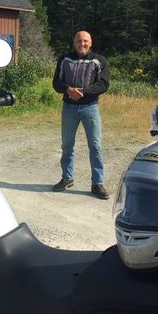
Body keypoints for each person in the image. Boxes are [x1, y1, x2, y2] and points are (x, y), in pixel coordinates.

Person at [52, 30, 110, 199]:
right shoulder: (64, 59)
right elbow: (56, 83)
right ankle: (67, 178)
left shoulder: (100, 61)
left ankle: (97, 183)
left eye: (85, 41)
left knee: (95, 146)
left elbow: (104, 84)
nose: (82, 44)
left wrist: (83, 92)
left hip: (90, 108)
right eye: (79, 41)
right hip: (69, 108)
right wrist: (68, 90)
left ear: (90, 43)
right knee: (67, 146)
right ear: (74, 42)